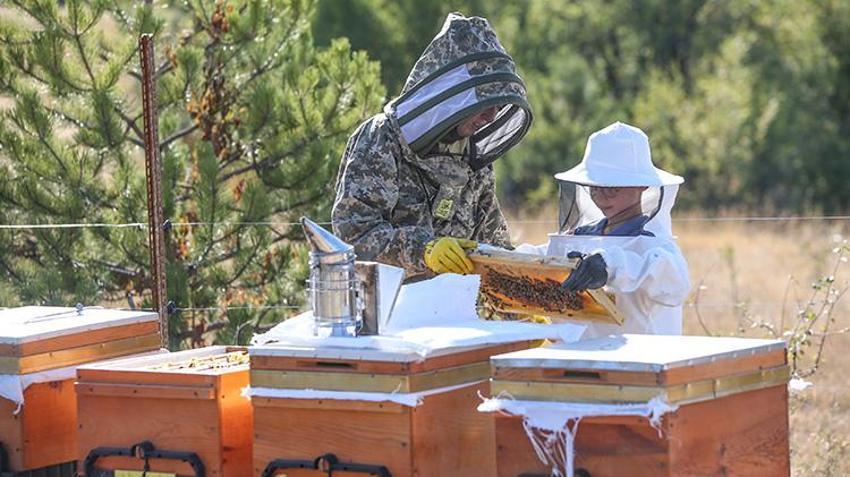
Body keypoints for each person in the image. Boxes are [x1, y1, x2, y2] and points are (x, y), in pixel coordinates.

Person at [332, 12, 533, 282]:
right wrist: (423, 252)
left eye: (498, 104)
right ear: (454, 95)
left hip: (454, 309)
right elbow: (354, 233)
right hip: (388, 309)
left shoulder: (472, 158)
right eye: (485, 103)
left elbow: (493, 242)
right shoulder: (382, 138)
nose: (492, 115)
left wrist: (520, 289)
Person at [521, 121, 690, 337]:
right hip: (577, 360)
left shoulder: (654, 246)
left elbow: (673, 281)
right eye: (594, 188)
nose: (600, 197)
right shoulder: (583, 237)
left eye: (612, 188)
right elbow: (545, 257)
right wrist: (495, 254)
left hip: (636, 363)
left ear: (642, 185)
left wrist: (611, 266)